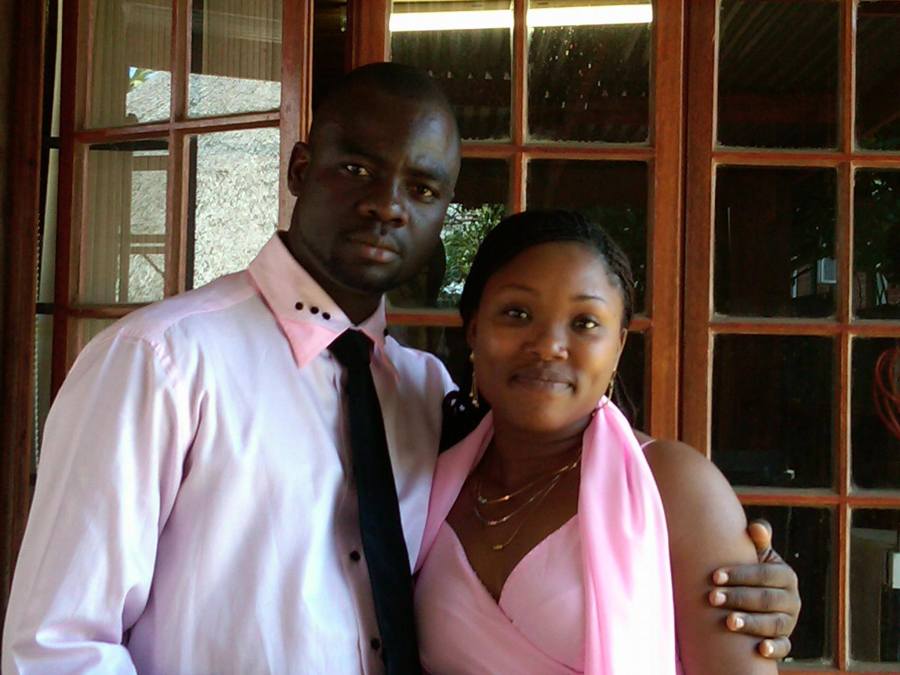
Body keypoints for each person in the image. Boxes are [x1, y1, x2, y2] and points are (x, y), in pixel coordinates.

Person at [3, 64, 797, 674]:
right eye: (356, 168)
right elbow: (57, 646)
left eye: (421, 186)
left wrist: (751, 577)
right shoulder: (163, 362)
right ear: (300, 168)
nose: (387, 204)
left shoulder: (424, 396)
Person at [413, 210, 796, 674]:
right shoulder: (427, 476)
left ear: (617, 347)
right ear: (474, 330)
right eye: (517, 314)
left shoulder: (674, 486)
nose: (548, 345)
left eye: (584, 322)